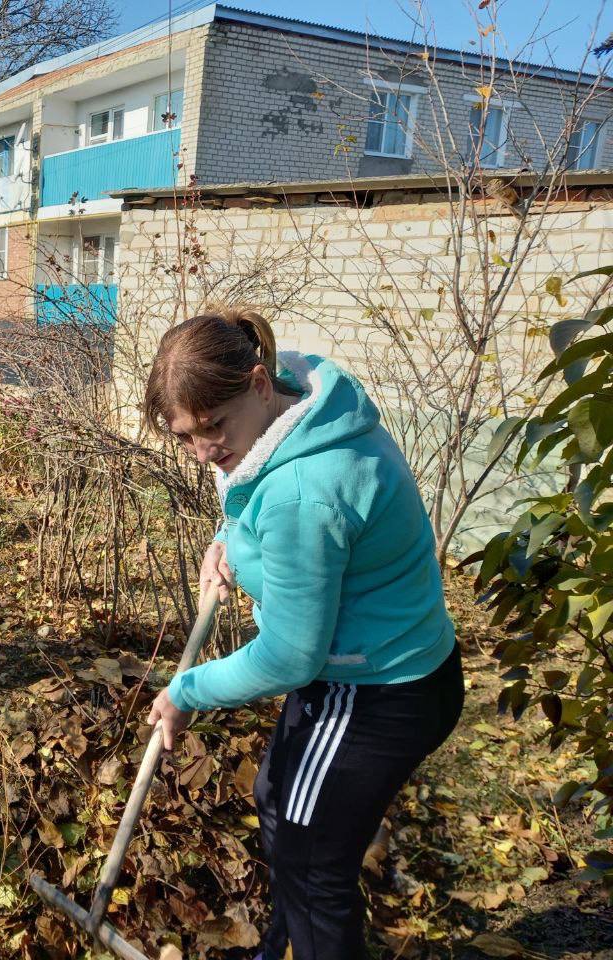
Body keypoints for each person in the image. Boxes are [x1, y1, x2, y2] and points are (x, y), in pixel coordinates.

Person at [141, 308, 463, 960]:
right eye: (184, 437)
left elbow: (289, 655)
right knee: (277, 802)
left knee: (310, 858)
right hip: (372, 666)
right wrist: (225, 538)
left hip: (376, 691)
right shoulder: (301, 397)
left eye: (211, 429)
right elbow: (250, 492)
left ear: (259, 383)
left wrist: (186, 690)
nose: (203, 453)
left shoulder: (303, 490)